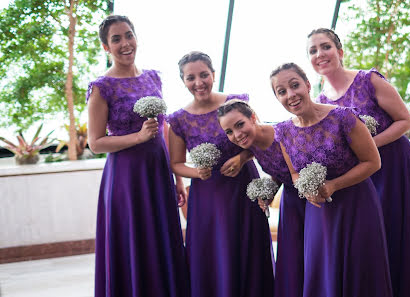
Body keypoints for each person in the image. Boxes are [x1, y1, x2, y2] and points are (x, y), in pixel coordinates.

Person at [307, 28, 410, 297]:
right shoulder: (321, 101)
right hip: (362, 175)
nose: (320, 54)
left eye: (325, 47)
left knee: (396, 231)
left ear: (340, 52)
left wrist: (369, 146)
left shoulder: (368, 80)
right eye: (313, 50)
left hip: (394, 168)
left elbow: (405, 121)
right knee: (372, 238)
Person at [86, 15, 189, 297]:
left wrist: (177, 177)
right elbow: (95, 143)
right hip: (126, 178)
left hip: (158, 171)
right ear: (106, 47)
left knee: (161, 238)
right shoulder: (101, 87)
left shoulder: (153, 77)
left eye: (128, 35)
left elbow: (165, 129)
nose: (125, 43)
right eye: (116, 39)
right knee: (134, 240)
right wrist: (139, 137)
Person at [272, 62, 392, 297]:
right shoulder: (283, 132)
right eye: (282, 91)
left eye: (295, 85)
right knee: (323, 271)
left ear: (307, 85)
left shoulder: (343, 117)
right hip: (319, 212)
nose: (291, 95)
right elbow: (294, 173)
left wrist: (334, 185)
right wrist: (305, 188)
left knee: (360, 270)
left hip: (357, 206)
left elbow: (372, 162)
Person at [167, 51, 274, 297]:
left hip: (244, 189)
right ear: (183, 80)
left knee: (249, 249)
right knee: (214, 253)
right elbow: (176, 163)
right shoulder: (180, 120)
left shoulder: (237, 102)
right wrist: (196, 172)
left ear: (213, 74)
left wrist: (242, 156)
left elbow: (261, 138)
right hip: (208, 196)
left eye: (204, 74)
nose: (199, 82)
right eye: (190, 77)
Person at [217, 99, 306, 297]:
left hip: (312, 198)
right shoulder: (253, 146)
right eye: (229, 131)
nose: (237, 135)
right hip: (291, 202)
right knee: (293, 259)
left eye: (240, 125)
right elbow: (279, 173)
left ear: (253, 117)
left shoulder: (283, 133)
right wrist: (268, 192)